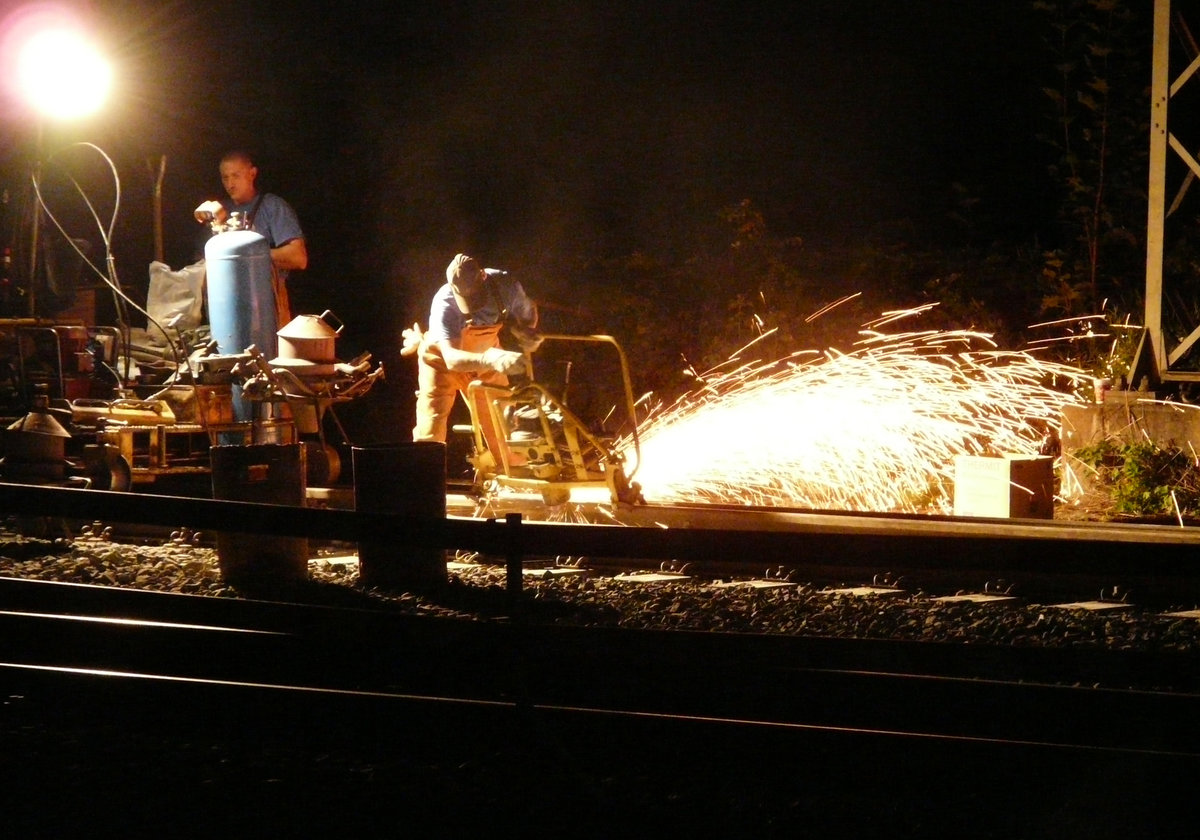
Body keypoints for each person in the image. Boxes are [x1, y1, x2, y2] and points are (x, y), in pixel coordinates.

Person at [406, 253, 542, 444]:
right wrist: (492, 359)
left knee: (504, 428)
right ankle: (426, 469)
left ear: (483, 276)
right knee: (431, 429)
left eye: (474, 297)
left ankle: (511, 469)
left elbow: (527, 311)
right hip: (442, 360)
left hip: (485, 356)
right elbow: (451, 359)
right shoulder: (444, 304)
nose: (471, 306)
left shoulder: (506, 285)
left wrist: (528, 332)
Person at [193, 149, 307, 327]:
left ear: (252, 174)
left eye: (235, 176)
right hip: (226, 306)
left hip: (267, 305)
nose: (230, 184)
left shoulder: (272, 207)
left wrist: (248, 256)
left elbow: (298, 258)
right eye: (225, 177)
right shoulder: (221, 212)